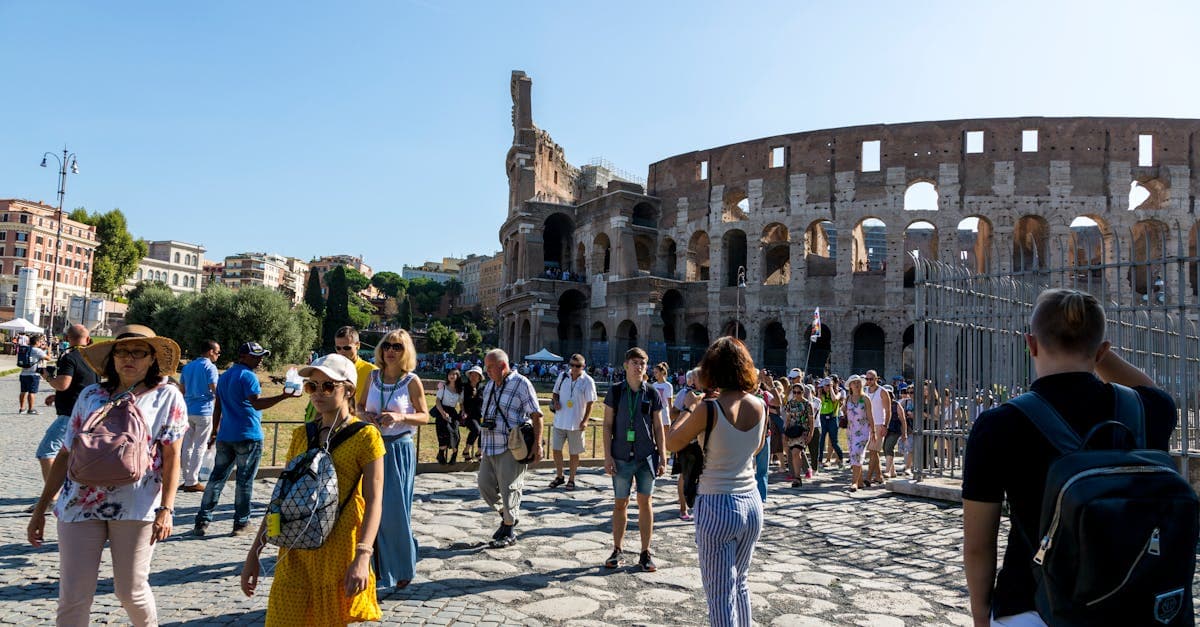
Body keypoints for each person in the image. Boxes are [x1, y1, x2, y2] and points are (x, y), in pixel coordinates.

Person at [962, 289, 1177, 627]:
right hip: (1134, 604)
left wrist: (980, 614)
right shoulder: (1151, 411)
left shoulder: (998, 426)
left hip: (1033, 604)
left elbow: (978, 544)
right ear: (1103, 349)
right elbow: (1154, 392)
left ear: (1030, 344)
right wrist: (1096, 350)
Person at [27, 324, 187, 626]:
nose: (129, 358)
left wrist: (167, 508)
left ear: (152, 358)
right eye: (122, 352)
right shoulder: (91, 394)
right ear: (112, 358)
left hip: (137, 505)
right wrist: (41, 509)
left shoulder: (167, 396)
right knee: (73, 595)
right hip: (79, 503)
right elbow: (65, 453)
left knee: (130, 591)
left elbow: (172, 455)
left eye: (138, 352)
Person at [240, 353, 385, 626]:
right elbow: (280, 499)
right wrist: (255, 551)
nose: (318, 393)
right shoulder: (300, 436)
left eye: (328, 386)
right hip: (295, 548)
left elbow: (375, 500)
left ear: (349, 389)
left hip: (338, 549)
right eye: (312, 386)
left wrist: (363, 556)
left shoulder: (367, 436)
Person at [666, 337, 766, 627]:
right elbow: (757, 448)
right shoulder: (759, 405)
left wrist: (687, 409)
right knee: (741, 584)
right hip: (750, 500)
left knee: (720, 596)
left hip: (717, 502)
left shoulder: (709, 408)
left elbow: (673, 442)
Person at [193, 341, 291, 537]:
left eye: (262, 355)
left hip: (226, 436)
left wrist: (214, 432)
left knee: (216, 479)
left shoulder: (225, 375)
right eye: (256, 356)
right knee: (244, 482)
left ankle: (202, 521)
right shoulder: (249, 377)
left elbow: (218, 406)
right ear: (243, 356)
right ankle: (241, 523)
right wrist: (283, 396)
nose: (260, 359)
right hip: (248, 435)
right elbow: (256, 404)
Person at [358, 329, 426, 589]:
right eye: (387, 345)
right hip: (372, 447)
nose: (390, 350)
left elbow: (424, 416)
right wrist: (366, 416)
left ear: (405, 351)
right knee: (369, 508)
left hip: (398, 449)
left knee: (395, 511)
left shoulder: (411, 381)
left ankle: (402, 568)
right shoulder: (373, 377)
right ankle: (376, 569)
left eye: (397, 346)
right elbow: (359, 406)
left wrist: (400, 418)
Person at [602, 347, 666, 571]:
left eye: (643, 363)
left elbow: (658, 426)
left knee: (645, 503)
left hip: (646, 456)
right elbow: (607, 424)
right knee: (621, 503)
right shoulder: (616, 391)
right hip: (620, 456)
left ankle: (645, 551)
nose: (639, 367)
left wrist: (663, 456)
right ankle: (617, 548)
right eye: (635, 362)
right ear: (626, 365)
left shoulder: (652, 393)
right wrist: (607, 455)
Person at [477, 348, 543, 548]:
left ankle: (509, 529)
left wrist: (538, 444)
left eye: (490, 368)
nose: (486, 371)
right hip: (489, 445)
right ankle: (508, 516)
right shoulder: (489, 386)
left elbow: (536, 415)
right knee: (484, 485)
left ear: (503, 366)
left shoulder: (522, 383)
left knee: (510, 489)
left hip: (511, 445)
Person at [33, 324, 97, 508]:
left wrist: (47, 377)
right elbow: (85, 384)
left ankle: (54, 497)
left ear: (68, 338)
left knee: (46, 453)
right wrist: (58, 396)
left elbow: (63, 384)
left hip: (69, 415)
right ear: (88, 338)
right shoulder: (92, 357)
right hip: (88, 412)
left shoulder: (69, 357)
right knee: (72, 455)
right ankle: (73, 491)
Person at [549, 353, 597, 490]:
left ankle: (572, 478)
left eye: (577, 366)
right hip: (560, 420)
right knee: (556, 449)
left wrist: (585, 421)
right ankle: (559, 476)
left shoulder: (588, 381)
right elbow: (555, 392)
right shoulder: (563, 376)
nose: (574, 368)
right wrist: (556, 402)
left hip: (576, 422)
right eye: (572, 365)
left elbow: (590, 403)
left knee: (573, 452)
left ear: (583, 366)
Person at [178, 339, 220, 492]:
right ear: (210, 352)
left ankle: (186, 477)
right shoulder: (211, 368)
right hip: (204, 411)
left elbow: (181, 389)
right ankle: (192, 481)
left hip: (188, 410)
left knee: (187, 446)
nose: (218, 355)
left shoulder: (187, 367)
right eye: (217, 353)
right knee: (199, 447)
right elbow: (215, 389)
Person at [670, 368, 701, 520]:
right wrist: (687, 410)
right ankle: (683, 509)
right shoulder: (684, 393)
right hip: (687, 438)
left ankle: (698, 505)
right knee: (684, 473)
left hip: (702, 439)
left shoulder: (710, 394)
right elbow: (672, 413)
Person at [843, 375, 874, 492]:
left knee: (857, 453)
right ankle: (860, 481)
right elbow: (846, 412)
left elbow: (870, 415)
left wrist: (874, 432)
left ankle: (854, 482)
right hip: (851, 431)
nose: (856, 384)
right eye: (854, 383)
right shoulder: (848, 398)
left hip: (863, 431)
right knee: (854, 455)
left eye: (858, 382)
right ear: (850, 385)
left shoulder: (865, 398)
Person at [783, 382, 816, 487]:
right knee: (793, 453)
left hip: (803, 431)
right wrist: (785, 432)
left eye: (798, 392)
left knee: (797, 452)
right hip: (792, 431)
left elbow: (811, 420)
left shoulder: (807, 404)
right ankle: (797, 475)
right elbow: (788, 419)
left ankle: (797, 477)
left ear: (802, 392)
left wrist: (811, 433)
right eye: (794, 392)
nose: (796, 394)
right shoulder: (790, 403)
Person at [863, 370, 891, 485]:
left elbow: (888, 411)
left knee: (874, 451)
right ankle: (879, 476)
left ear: (876, 379)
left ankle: (868, 477)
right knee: (873, 451)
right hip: (867, 424)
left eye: (871, 379)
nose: (869, 381)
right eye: (867, 379)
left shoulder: (882, 392)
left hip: (879, 424)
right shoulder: (865, 391)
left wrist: (885, 426)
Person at [433, 368, 463, 465]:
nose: (452, 376)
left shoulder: (459, 390)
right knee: (444, 433)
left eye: (455, 374)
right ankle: (441, 454)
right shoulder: (443, 387)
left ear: (458, 376)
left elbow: (461, 403)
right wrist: (442, 413)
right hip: (442, 410)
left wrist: (463, 411)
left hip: (453, 413)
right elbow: (437, 401)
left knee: (455, 434)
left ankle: (454, 455)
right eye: (450, 374)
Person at [816, 378, 844, 467]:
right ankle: (819, 460)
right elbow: (819, 402)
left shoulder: (839, 392)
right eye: (825, 386)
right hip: (823, 418)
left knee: (834, 441)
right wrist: (820, 391)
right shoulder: (822, 394)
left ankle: (840, 458)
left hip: (833, 418)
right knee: (821, 441)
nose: (826, 388)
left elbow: (834, 399)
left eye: (828, 385)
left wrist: (831, 388)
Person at [882, 384, 908, 478]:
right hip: (886, 430)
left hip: (895, 430)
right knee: (885, 448)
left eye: (888, 394)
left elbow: (903, 419)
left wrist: (904, 433)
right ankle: (893, 472)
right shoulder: (881, 403)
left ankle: (887, 471)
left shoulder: (896, 404)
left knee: (888, 447)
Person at [18, 333, 48, 414]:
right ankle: (31, 409)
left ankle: (22, 408)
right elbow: (48, 358)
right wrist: (47, 349)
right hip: (33, 374)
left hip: (23, 373)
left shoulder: (25, 349)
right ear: (37, 342)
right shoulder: (38, 350)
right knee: (32, 392)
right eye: (40, 342)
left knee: (23, 391)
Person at [460, 366, 485, 461]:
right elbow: (461, 401)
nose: (473, 377)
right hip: (467, 414)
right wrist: (463, 411)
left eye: (476, 375)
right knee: (476, 430)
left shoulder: (482, 387)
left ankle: (479, 453)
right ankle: (466, 451)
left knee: (483, 431)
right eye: (472, 374)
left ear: (479, 377)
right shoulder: (464, 387)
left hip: (479, 414)